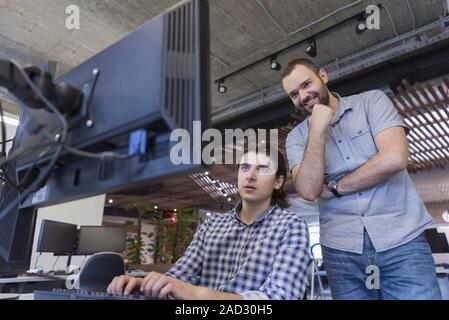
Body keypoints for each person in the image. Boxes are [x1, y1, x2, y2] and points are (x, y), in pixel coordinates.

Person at [282, 58, 442, 300]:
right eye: (294, 94)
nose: (303, 96)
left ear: (323, 76)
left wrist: (335, 187)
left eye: (306, 84)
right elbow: (308, 190)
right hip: (341, 251)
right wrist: (316, 129)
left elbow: (395, 158)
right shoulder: (297, 137)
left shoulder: (372, 102)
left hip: (401, 240)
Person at [107, 142, 310, 300]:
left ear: (278, 181)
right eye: (245, 167)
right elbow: (179, 276)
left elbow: (282, 295)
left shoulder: (290, 226)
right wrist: (141, 285)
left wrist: (202, 295)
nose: (250, 176)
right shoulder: (213, 225)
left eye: (262, 169)